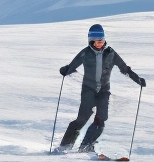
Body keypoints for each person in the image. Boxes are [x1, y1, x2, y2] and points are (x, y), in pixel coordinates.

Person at [56, 24, 144, 153]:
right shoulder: (85, 53)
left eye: (101, 41)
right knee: (82, 118)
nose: (99, 44)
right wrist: (66, 70)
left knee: (101, 118)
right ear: (91, 41)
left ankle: (86, 146)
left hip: (104, 90)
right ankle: (65, 145)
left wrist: (137, 79)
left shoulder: (111, 53)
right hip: (88, 89)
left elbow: (124, 68)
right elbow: (73, 65)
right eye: (97, 42)